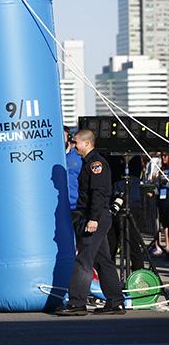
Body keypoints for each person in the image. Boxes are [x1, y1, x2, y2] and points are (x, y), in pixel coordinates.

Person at [57, 129, 125, 316]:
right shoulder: (88, 163)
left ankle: (77, 303)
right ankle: (115, 301)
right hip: (92, 216)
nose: (73, 144)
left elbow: (99, 193)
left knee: (83, 260)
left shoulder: (96, 164)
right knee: (102, 261)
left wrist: (93, 219)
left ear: (87, 143)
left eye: (76, 141)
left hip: (95, 217)